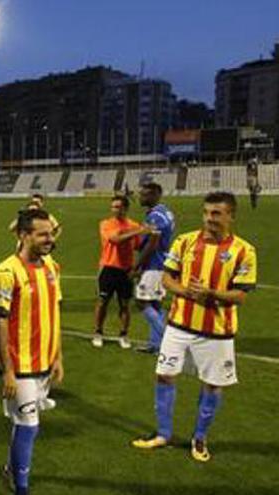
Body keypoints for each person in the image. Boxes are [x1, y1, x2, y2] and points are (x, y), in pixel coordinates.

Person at [132, 192, 256, 463]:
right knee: (164, 375)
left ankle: (199, 438)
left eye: (216, 214)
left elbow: (241, 295)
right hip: (179, 326)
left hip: (217, 332)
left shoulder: (244, 251)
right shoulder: (185, 242)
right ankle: (163, 434)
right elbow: (167, 278)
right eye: (207, 212)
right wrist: (187, 293)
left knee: (212, 385)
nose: (209, 219)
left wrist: (211, 293)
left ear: (230, 216)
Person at [0, 209, 64, 495]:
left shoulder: (51, 267)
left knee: (24, 423)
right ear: (23, 235)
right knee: (29, 425)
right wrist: (7, 369)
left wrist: (58, 356)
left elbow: (54, 312)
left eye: (51, 233)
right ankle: (21, 488)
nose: (49, 239)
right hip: (19, 367)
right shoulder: (6, 273)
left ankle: (11, 468)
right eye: (42, 234)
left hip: (45, 363)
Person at [93, 195, 150, 349]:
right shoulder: (106, 224)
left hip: (126, 270)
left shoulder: (133, 225)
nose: (115, 210)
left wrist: (150, 235)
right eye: (113, 207)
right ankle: (98, 332)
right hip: (108, 268)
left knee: (125, 305)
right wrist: (139, 230)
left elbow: (138, 247)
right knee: (102, 302)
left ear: (125, 208)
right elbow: (115, 240)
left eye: (118, 207)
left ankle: (123, 335)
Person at [135, 183, 175, 354]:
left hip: (153, 265)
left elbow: (152, 244)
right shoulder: (166, 212)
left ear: (154, 195)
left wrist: (137, 266)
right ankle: (155, 344)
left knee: (142, 302)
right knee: (156, 304)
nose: (140, 197)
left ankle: (168, 342)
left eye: (144, 195)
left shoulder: (156, 216)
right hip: (162, 263)